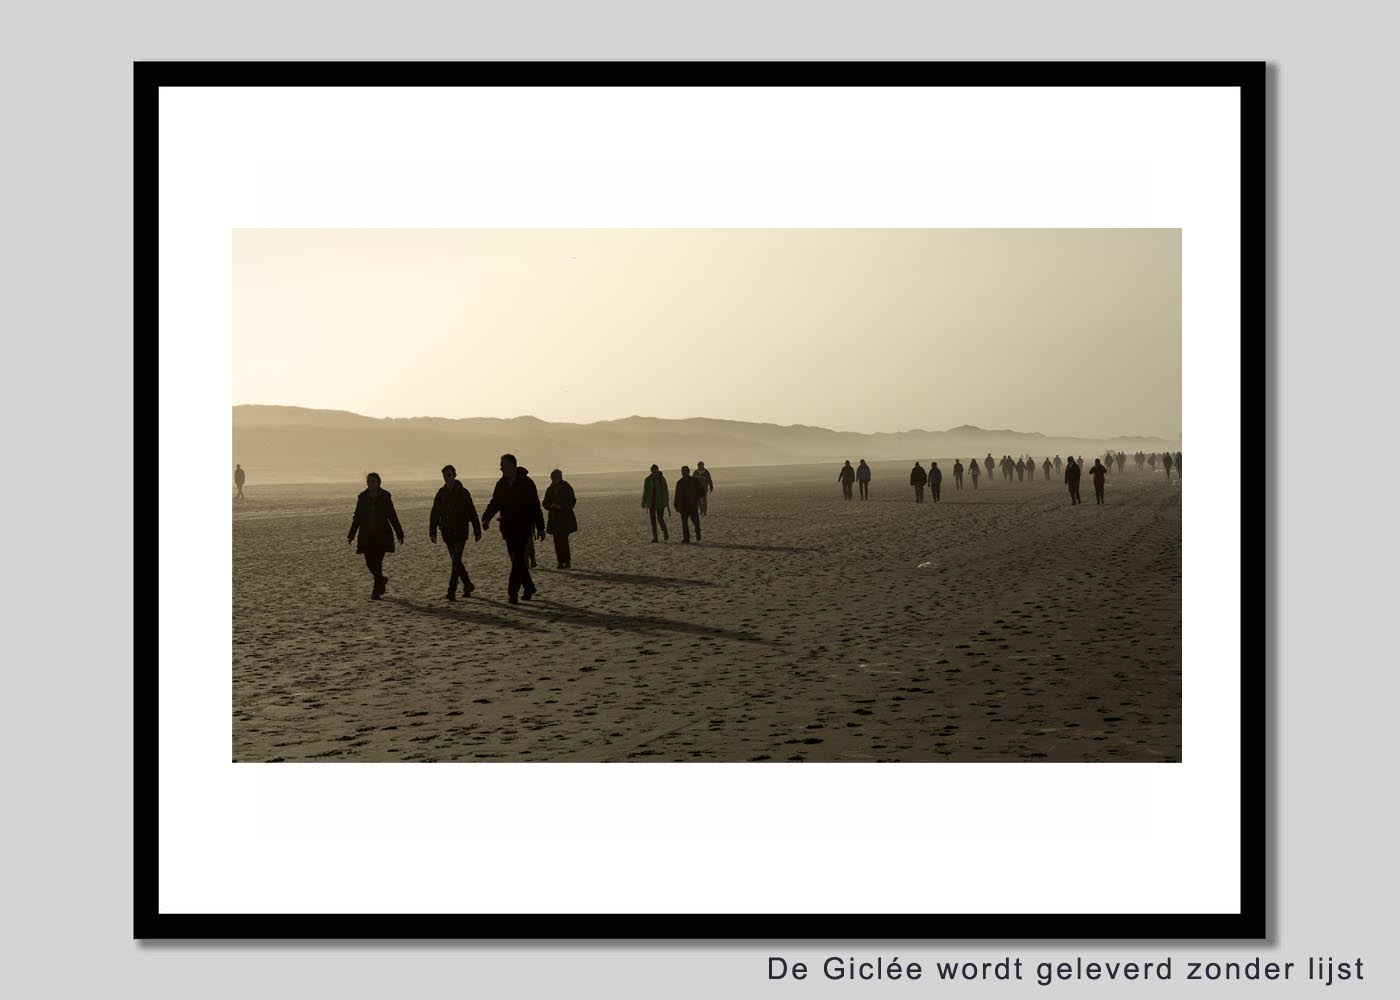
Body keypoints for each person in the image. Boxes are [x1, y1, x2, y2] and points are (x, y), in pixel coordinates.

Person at [481, 453, 546, 604]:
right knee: (516, 561)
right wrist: (486, 518)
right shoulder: (501, 484)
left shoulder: (527, 483)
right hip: (508, 528)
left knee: (517, 560)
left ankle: (513, 593)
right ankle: (529, 587)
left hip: (523, 527)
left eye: (502, 464)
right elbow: (495, 502)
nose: (500, 467)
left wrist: (541, 528)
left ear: (512, 465)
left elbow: (535, 506)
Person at [347, 472, 405, 600]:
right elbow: (357, 517)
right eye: (369, 481)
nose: (371, 484)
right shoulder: (362, 497)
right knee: (369, 563)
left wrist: (399, 534)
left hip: (381, 535)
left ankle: (376, 590)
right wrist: (351, 535)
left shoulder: (385, 496)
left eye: (373, 481)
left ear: (379, 482)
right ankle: (381, 580)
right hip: (366, 535)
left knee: (377, 562)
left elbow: (392, 516)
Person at [428, 464, 482, 601]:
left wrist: (477, 529)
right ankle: (468, 585)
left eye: (449, 475)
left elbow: (471, 511)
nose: (447, 478)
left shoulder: (463, 492)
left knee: (456, 560)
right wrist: (432, 531)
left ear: (455, 475)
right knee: (456, 561)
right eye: (445, 476)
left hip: (461, 532)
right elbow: (435, 513)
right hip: (447, 532)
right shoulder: (441, 493)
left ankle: (451, 590)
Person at [542, 468, 578, 568]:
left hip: (565, 518)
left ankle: (566, 560)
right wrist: (551, 506)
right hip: (554, 518)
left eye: (554, 477)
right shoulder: (550, 489)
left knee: (563, 540)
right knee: (557, 541)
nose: (553, 479)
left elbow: (572, 502)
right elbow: (545, 503)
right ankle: (560, 561)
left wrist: (561, 506)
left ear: (559, 477)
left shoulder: (566, 487)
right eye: (552, 478)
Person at [674, 465, 704, 543]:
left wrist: (701, 494)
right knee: (684, 523)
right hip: (683, 506)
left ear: (688, 472)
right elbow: (677, 494)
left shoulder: (694, 480)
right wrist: (676, 504)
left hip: (693, 505)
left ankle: (698, 536)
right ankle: (686, 538)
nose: (683, 473)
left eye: (685, 471)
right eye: (682, 472)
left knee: (696, 522)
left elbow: (701, 489)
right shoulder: (679, 482)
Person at [641, 464, 670, 541]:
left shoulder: (662, 479)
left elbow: (665, 491)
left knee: (660, 518)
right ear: (651, 470)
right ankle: (655, 537)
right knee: (653, 520)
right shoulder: (648, 479)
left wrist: (666, 502)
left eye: (655, 469)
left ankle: (664, 530)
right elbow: (645, 492)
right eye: (652, 469)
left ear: (657, 470)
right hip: (651, 503)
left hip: (660, 502)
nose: (654, 471)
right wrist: (643, 502)